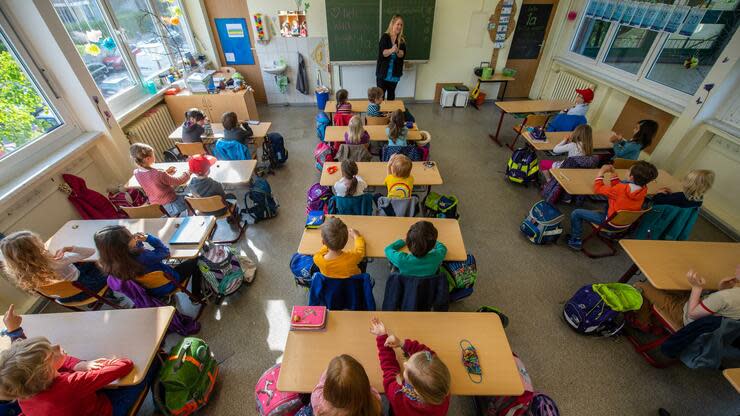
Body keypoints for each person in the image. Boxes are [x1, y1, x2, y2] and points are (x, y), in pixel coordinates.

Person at [0, 304, 135, 416]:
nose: (57, 346)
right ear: (46, 373)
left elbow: (27, 362)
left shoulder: (22, 389)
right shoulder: (70, 384)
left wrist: (15, 332)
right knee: (140, 375)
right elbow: (125, 365)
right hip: (103, 411)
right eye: (50, 354)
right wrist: (88, 366)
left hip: (74, 404)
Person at [566, 161, 658, 250]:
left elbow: (597, 189)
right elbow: (619, 187)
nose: (626, 171)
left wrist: (601, 172)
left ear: (631, 177)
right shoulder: (644, 189)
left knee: (576, 213)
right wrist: (613, 173)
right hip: (625, 223)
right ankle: (609, 234)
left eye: (628, 170)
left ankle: (575, 240)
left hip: (610, 223)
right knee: (607, 204)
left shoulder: (620, 189)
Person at [369, 317, 451, 416]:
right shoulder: (441, 392)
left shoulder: (397, 395)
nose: (404, 364)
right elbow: (429, 355)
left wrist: (382, 338)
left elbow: (389, 369)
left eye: (406, 370)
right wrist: (402, 344)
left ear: (413, 388)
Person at [93, 225, 201, 298]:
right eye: (130, 237)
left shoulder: (107, 263)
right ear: (124, 245)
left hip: (149, 290)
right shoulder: (143, 256)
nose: (133, 237)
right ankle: (196, 295)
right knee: (196, 260)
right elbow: (165, 252)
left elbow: (131, 251)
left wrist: (136, 243)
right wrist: (149, 238)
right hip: (170, 282)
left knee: (172, 263)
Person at [0, 231, 105, 303]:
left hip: (63, 297)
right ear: (34, 249)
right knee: (101, 262)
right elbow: (91, 252)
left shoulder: (20, 273)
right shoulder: (56, 263)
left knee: (83, 264)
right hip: (84, 289)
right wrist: (69, 248)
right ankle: (109, 292)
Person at [632, 266, 740, 330]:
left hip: (686, 317)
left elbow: (691, 314)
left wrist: (697, 288)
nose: (737, 266)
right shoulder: (730, 295)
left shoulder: (724, 297)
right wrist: (723, 289)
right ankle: (654, 320)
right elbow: (725, 307)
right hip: (706, 317)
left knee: (640, 286)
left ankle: (643, 323)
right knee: (667, 283)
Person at [130, 143, 190, 216]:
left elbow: (152, 180)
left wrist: (166, 173)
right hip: (172, 204)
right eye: (153, 154)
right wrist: (188, 172)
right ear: (148, 158)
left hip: (156, 207)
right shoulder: (159, 173)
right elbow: (179, 181)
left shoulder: (136, 172)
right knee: (190, 197)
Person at [310, 354, 382, 416]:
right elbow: (368, 388)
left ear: (328, 389)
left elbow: (319, 387)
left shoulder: (319, 403)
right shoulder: (373, 401)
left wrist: (331, 373)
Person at [376, 15, 407, 101]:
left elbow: (402, 54)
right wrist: (391, 50)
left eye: (401, 25)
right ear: (392, 24)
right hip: (383, 74)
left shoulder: (401, 40)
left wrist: (397, 51)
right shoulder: (385, 37)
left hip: (394, 74)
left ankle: (390, 114)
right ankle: (380, 114)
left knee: (391, 97)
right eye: (398, 24)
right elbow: (383, 53)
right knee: (380, 98)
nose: (399, 26)